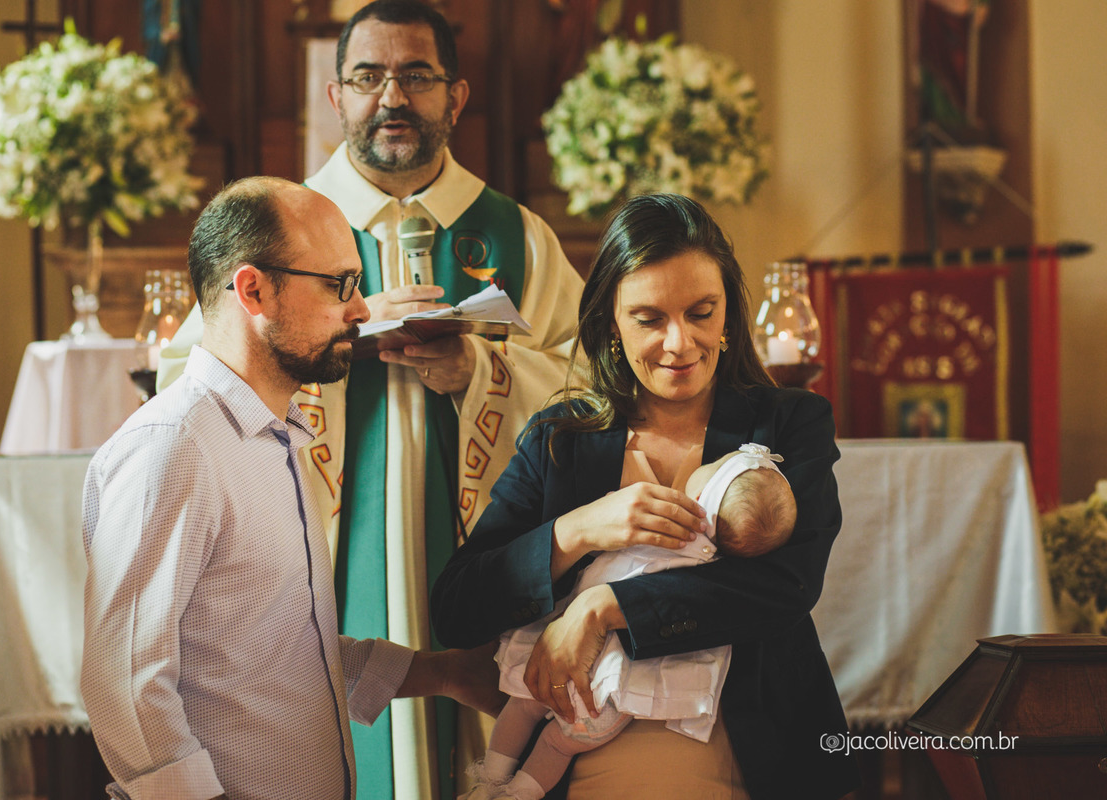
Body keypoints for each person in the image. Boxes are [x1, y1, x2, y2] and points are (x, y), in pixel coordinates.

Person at [158, 3, 583, 796]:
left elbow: (593, 393)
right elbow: (184, 381)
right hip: (321, 561)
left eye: (417, 76)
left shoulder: (517, 238)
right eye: (369, 77)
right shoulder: (275, 233)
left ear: (455, 97)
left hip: (484, 558)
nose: (393, 96)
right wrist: (332, 343)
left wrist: (481, 375)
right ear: (336, 97)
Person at [81, 177, 502, 800]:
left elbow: (274, 651)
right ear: (253, 289)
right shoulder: (172, 448)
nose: (361, 310)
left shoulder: (278, 435)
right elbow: (124, 684)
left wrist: (443, 672)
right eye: (340, 285)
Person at [431, 193, 862, 799]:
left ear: (727, 316)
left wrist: (602, 605)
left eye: (701, 312)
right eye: (649, 318)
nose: (679, 343)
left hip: (756, 763)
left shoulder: (789, 424)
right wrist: (575, 531)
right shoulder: (562, 439)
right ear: (611, 319)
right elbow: (456, 608)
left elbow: (784, 587)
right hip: (572, 775)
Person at [464, 444, 797, 800]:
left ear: (701, 497)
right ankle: (518, 794)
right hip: (615, 698)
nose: (713, 459)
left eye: (715, 464)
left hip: (573, 665)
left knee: (524, 705)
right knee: (558, 745)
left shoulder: (658, 530)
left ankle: (490, 782)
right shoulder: (714, 569)